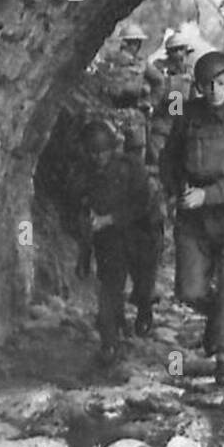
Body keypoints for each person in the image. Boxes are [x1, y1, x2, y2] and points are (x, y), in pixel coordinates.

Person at [159, 50, 224, 386]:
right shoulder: (186, 115)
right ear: (199, 87)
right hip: (193, 219)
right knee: (189, 290)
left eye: (221, 83)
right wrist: (178, 190)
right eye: (208, 85)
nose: (215, 91)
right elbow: (168, 160)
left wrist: (209, 195)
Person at [75, 120, 164, 366]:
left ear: (112, 149)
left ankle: (144, 309)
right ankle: (109, 343)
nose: (98, 158)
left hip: (142, 234)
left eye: (102, 151)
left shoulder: (131, 167)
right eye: (93, 152)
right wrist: (84, 256)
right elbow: (83, 215)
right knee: (110, 288)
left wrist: (111, 218)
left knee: (143, 286)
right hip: (110, 240)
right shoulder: (85, 174)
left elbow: (142, 205)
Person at [94, 21, 164, 159]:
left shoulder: (141, 63)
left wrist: (149, 102)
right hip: (110, 113)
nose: (135, 46)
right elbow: (98, 80)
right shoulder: (110, 60)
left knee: (136, 155)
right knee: (111, 154)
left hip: (135, 113)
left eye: (137, 43)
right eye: (132, 42)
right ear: (124, 42)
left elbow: (159, 81)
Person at [147, 29, 197, 170]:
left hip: (181, 127)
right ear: (170, 52)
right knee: (159, 165)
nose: (181, 56)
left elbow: (193, 99)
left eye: (183, 51)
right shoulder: (158, 69)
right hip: (162, 125)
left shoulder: (188, 72)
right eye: (177, 51)